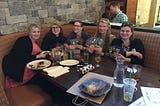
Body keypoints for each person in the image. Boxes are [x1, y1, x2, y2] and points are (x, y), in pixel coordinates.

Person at [2, 24, 48, 88]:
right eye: (34, 32)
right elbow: (19, 55)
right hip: (17, 69)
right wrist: (37, 56)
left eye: (38, 32)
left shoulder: (33, 42)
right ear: (29, 32)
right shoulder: (23, 40)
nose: (37, 34)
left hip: (25, 64)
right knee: (43, 80)